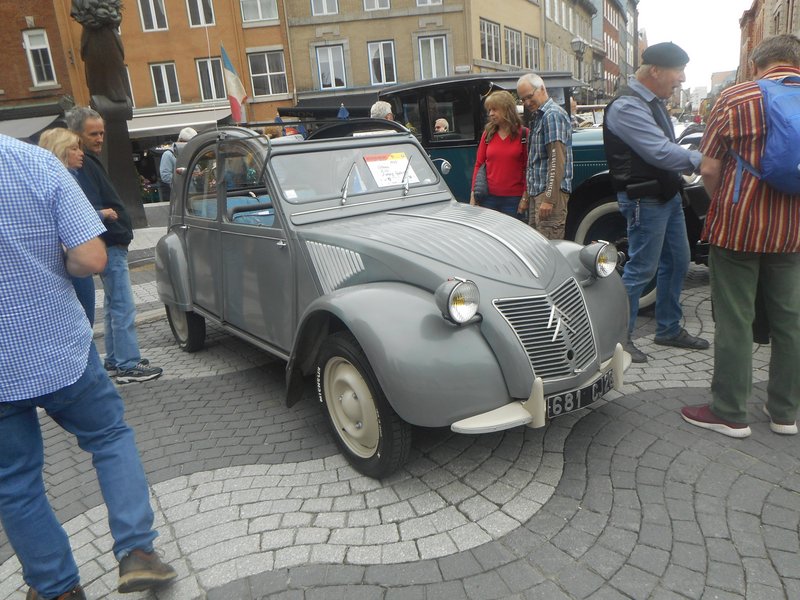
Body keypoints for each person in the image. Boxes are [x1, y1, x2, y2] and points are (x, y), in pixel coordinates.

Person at [0, 133, 177, 599]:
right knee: (109, 437)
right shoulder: (33, 163)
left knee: (14, 482)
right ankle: (138, 552)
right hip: (59, 348)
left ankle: (57, 587)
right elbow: (91, 257)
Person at [681, 34, 800, 438]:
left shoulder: (735, 98)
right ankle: (785, 412)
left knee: (735, 318)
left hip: (738, 226)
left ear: (756, 64)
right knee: (790, 321)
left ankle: (729, 411)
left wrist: (721, 206)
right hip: (792, 231)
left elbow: (710, 169)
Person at [602, 42, 709, 363]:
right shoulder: (627, 106)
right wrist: (705, 160)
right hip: (644, 199)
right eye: (678, 70)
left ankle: (668, 328)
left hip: (664, 195)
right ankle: (619, 340)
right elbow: (659, 151)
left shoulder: (652, 101)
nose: (682, 78)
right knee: (640, 270)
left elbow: (663, 149)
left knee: (678, 261)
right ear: (655, 71)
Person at [66, 107, 163, 384]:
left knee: (113, 305)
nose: (99, 139)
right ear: (76, 135)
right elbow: (85, 207)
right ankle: (127, 364)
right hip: (108, 243)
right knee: (122, 306)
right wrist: (107, 217)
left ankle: (115, 359)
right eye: (93, 134)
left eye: (102, 133)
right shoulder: (81, 165)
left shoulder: (86, 162)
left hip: (108, 241)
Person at [38, 127, 118, 327]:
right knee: (83, 326)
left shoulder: (40, 181)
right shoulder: (64, 179)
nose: (81, 153)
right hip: (73, 262)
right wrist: (102, 214)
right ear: (61, 150)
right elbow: (75, 221)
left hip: (53, 266)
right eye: (74, 148)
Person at [517, 72, 573, 239]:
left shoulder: (552, 115)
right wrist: (527, 196)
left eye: (529, 96)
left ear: (542, 88)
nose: (526, 102)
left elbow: (556, 160)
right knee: (539, 248)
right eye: (522, 99)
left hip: (547, 194)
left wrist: (549, 199)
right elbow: (534, 162)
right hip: (539, 192)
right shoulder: (540, 117)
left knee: (548, 251)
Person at [469, 90, 528, 219]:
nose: (491, 114)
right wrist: (473, 194)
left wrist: (525, 196)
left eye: (495, 109)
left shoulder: (524, 134)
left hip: (513, 200)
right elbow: (479, 164)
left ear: (507, 110)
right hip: (488, 198)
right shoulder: (488, 134)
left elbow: (529, 168)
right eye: (489, 110)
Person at [158, 127, 197, 201]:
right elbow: (165, 176)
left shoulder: (189, 153)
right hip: (179, 197)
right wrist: (186, 176)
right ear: (181, 141)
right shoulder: (168, 155)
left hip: (193, 194)